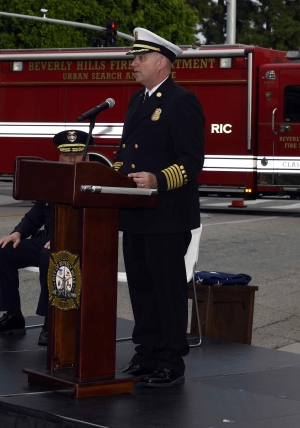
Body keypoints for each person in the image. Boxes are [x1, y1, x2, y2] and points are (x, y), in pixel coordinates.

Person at [115, 28, 205, 387]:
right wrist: (111, 177)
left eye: (140, 57)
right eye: (134, 58)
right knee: (141, 287)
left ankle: (170, 360)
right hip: (135, 213)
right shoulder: (137, 101)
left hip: (167, 214)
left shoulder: (182, 101)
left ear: (161, 62)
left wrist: (157, 180)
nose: (134, 63)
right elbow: (126, 154)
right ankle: (147, 352)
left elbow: (192, 160)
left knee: (167, 291)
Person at [0, 130, 90, 346]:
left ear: (86, 155)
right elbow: (36, 214)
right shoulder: (53, 181)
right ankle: (13, 316)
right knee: (2, 252)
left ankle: (52, 321)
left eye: (77, 154)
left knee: (49, 257)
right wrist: (17, 233)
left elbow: (96, 221)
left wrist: (63, 237)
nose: (72, 160)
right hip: (50, 240)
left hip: (80, 241)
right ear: (60, 157)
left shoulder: (94, 181)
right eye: (67, 155)